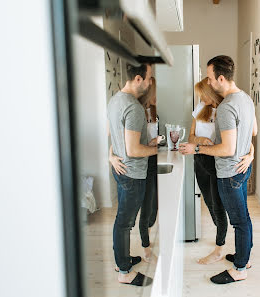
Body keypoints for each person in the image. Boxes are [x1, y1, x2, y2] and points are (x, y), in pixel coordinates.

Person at [179, 55, 258, 284]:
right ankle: (245, 258)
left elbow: (227, 149)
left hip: (229, 173)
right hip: (243, 169)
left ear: (221, 78)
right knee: (244, 217)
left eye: (211, 78)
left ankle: (240, 269)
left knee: (239, 221)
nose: (209, 83)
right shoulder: (246, 99)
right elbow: (252, 132)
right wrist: (250, 153)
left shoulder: (225, 107)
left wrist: (197, 149)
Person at [190, 77, 255, 265]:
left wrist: (251, 154)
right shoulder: (200, 108)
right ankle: (239, 255)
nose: (201, 99)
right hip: (202, 161)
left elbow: (246, 135)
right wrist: (200, 141)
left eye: (203, 94)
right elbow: (191, 135)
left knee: (229, 213)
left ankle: (227, 254)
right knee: (213, 206)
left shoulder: (226, 108)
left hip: (220, 164)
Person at [107, 63, 157, 286]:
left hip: (120, 169)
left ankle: (122, 260)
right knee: (125, 222)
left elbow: (113, 134)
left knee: (123, 219)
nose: (149, 82)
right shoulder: (134, 108)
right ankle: (124, 273)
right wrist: (157, 149)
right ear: (138, 79)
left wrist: (111, 155)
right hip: (132, 174)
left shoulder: (115, 100)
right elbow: (134, 150)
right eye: (148, 78)